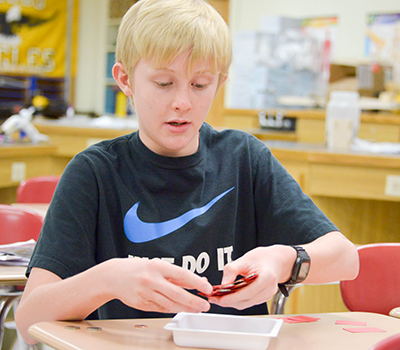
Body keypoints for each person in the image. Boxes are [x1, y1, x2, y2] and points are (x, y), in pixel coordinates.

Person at [15, 0, 359, 344]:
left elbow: (346, 259)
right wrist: (108, 279)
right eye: (164, 83)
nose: (183, 102)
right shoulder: (95, 173)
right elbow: (28, 318)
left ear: (220, 81)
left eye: (200, 85)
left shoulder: (243, 158)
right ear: (125, 79)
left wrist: (282, 259)